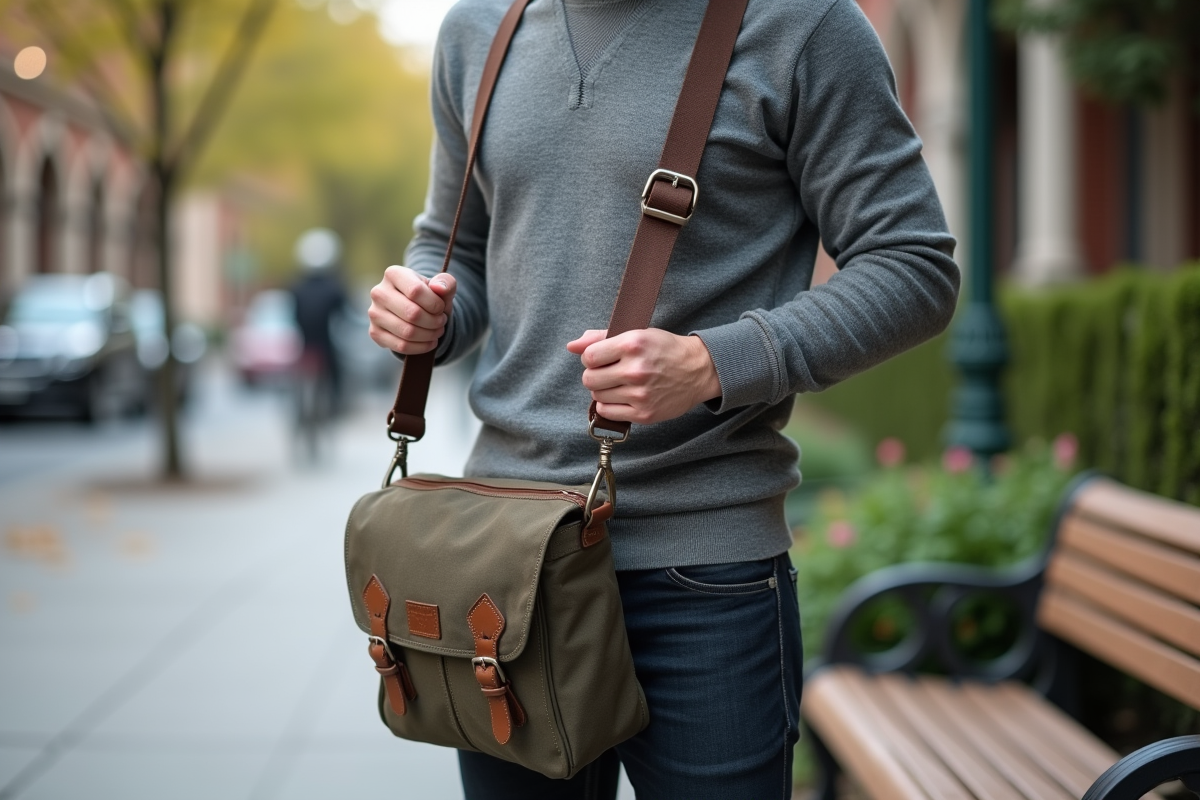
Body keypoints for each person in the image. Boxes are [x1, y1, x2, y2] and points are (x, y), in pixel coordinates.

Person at [367, 0, 959, 797]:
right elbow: (458, 244)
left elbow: (914, 265)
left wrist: (713, 363)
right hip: (505, 565)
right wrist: (427, 313)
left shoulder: (801, 25)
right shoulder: (478, 30)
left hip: (703, 577)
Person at [290, 228, 348, 417]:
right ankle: (337, 403)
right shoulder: (334, 287)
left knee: (296, 374)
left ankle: (297, 408)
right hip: (324, 344)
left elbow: (294, 316)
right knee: (337, 370)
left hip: (305, 344)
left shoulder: (296, 286)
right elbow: (344, 315)